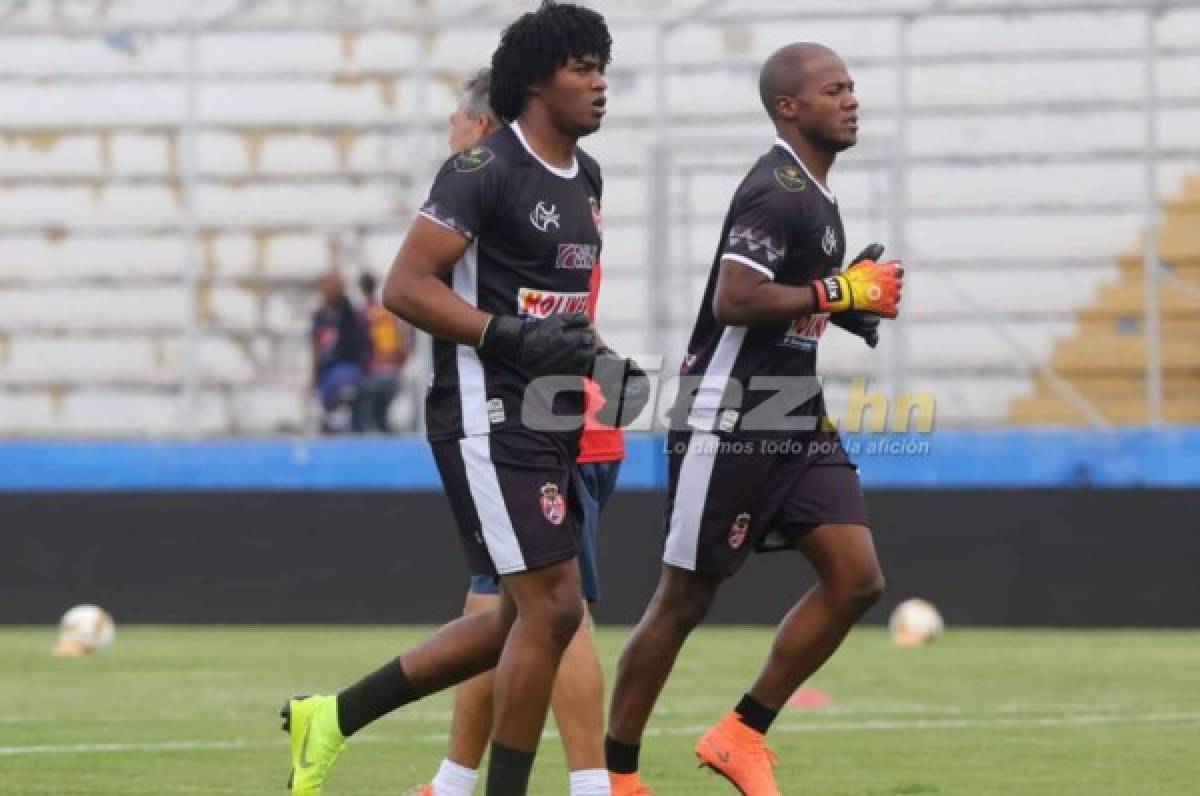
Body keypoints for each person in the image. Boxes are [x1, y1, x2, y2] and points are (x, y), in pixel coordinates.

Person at [280, 5, 634, 795]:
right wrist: (508, 339)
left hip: (554, 416)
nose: (600, 83)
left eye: (602, 66)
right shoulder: (483, 170)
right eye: (582, 68)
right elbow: (407, 289)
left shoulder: (589, 179)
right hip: (485, 412)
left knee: (519, 619)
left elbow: (555, 310)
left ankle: (331, 718)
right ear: (537, 81)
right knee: (553, 610)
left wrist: (605, 364)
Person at [605, 43, 904, 796]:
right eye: (834, 89)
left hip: (794, 408)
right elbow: (734, 300)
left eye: (852, 87)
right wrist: (840, 289)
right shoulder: (776, 187)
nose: (851, 99)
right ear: (788, 107)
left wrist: (845, 305)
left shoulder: (818, 194)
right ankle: (615, 778)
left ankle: (740, 733)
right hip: (728, 409)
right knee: (684, 600)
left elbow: (793, 302)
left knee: (856, 579)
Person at [413, 67, 632, 796]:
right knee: (522, 611)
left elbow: (562, 315)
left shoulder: (550, 180)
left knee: (541, 614)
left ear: (483, 124)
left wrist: (597, 365)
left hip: (564, 429)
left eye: (454, 124)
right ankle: (466, 780)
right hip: (523, 421)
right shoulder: (507, 182)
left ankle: (587, 783)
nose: (450, 138)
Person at [311, 269, 370, 433]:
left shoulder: (350, 315)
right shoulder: (319, 316)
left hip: (347, 368)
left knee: (344, 382)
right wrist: (311, 378)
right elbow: (315, 347)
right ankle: (331, 421)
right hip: (326, 371)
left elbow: (360, 344)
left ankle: (341, 418)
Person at [358, 270, 410, 432]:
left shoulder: (361, 313)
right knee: (383, 420)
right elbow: (402, 342)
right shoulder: (387, 313)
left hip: (370, 375)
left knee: (367, 422)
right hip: (391, 373)